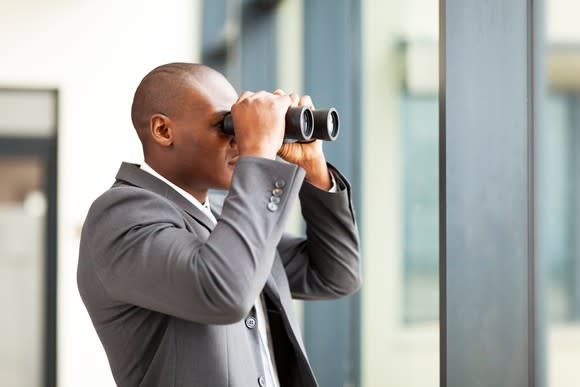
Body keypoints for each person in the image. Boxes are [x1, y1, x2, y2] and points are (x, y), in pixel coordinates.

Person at [77, 62, 361, 387]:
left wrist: (313, 167)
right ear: (163, 131)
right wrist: (259, 155)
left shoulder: (225, 215)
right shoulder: (119, 215)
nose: (240, 141)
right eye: (226, 125)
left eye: (242, 127)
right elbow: (224, 291)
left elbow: (335, 275)